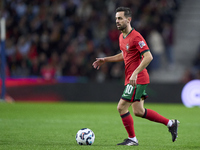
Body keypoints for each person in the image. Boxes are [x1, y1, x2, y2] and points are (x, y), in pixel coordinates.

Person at [92, 7, 179, 146]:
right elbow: (124, 55)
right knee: (138, 111)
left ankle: (132, 139)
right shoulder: (122, 36)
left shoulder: (136, 36)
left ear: (129, 19)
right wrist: (105, 59)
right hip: (132, 78)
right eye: (116, 19)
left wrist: (135, 72)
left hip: (137, 79)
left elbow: (148, 56)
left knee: (121, 107)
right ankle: (171, 123)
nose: (117, 21)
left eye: (120, 18)